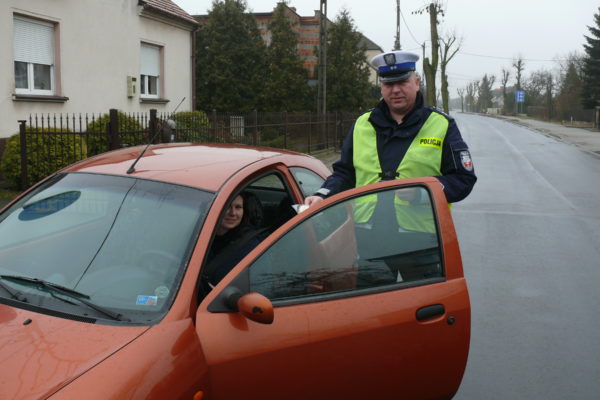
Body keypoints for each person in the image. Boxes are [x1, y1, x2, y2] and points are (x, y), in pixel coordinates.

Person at [304, 50, 476, 212]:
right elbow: (345, 174)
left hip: (424, 236)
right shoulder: (363, 124)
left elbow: (462, 180)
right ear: (381, 87)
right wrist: (323, 195)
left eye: (402, 82)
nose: (395, 90)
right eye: (388, 83)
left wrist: (420, 192)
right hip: (366, 232)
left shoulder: (442, 124)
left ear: (416, 83)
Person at [203, 192, 265, 288]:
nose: (233, 213)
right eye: (227, 206)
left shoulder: (250, 245)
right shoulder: (199, 235)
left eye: (238, 207)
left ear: (244, 211)